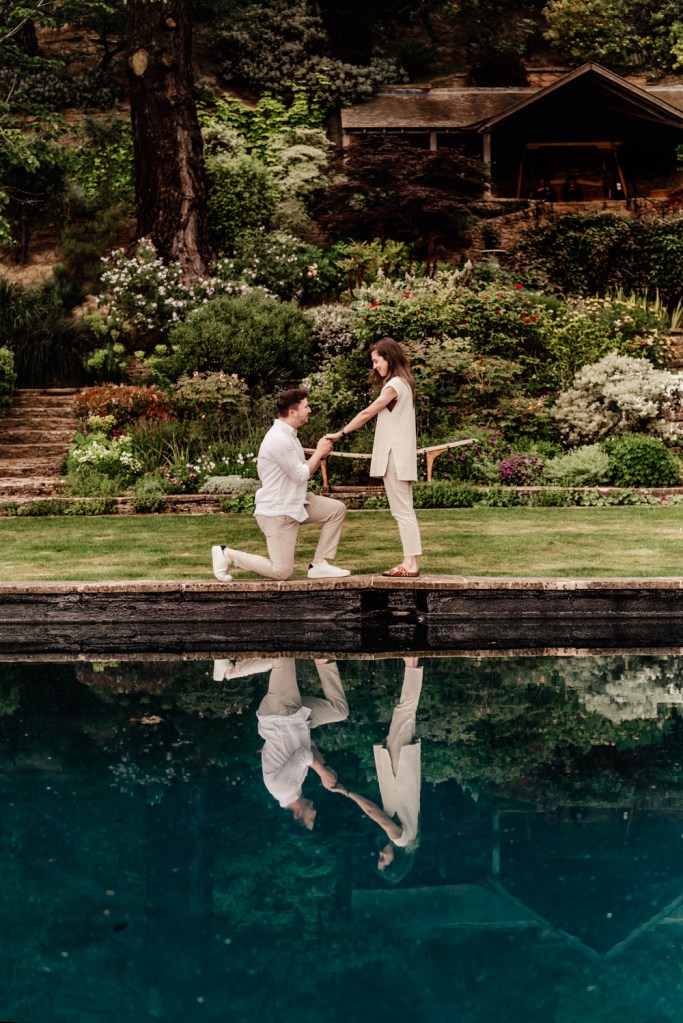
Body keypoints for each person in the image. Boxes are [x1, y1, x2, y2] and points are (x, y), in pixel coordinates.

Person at [211, 387, 350, 581]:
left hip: (296, 502)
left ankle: (319, 564)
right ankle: (227, 554)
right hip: (277, 511)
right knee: (282, 572)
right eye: (306, 406)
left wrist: (320, 456)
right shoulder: (279, 439)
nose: (310, 410)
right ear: (293, 412)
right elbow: (301, 475)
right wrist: (318, 453)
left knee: (336, 509)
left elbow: (304, 471)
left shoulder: (289, 435)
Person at [326, 337, 421, 578]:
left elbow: (367, 412)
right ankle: (409, 562)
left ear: (389, 358)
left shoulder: (395, 386)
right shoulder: (404, 384)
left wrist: (341, 433)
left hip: (395, 456)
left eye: (377, 361)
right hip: (400, 456)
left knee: (402, 511)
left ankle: (410, 564)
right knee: (404, 510)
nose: (375, 366)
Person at [338, 657, 423, 882]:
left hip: (402, 767)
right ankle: (412, 664)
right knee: (405, 711)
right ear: (396, 861)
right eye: (384, 859)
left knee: (405, 713)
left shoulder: (409, 837)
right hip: (399, 767)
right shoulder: (402, 839)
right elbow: (374, 813)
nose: (381, 854)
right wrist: (347, 793)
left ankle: (412, 665)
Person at [251, 657, 348, 829]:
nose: (315, 814)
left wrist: (322, 773)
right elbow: (308, 748)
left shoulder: (284, 789)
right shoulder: (294, 789)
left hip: (279, 715)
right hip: (296, 719)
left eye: (311, 819)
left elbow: (303, 755)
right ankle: (323, 660)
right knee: (339, 711)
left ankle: (229, 671)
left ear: (297, 815)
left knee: (282, 658)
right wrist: (324, 766)